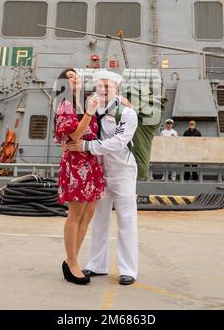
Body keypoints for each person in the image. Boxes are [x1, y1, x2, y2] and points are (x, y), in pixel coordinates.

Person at [66, 70, 138, 286]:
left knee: (126, 220)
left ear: (117, 89)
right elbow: (78, 123)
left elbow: (119, 141)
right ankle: (97, 264)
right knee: (99, 220)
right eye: (100, 86)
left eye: (109, 86)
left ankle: (128, 270)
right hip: (98, 172)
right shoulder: (92, 107)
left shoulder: (126, 112)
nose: (104, 89)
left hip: (122, 171)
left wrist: (86, 146)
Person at [54, 68, 106, 285]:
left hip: (92, 162)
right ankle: (73, 263)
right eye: (69, 76)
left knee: (88, 214)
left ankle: (71, 260)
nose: (74, 78)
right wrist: (89, 114)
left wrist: (124, 101)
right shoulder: (65, 105)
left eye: (76, 75)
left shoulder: (86, 102)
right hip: (76, 165)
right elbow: (74, 134)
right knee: (75, 214)